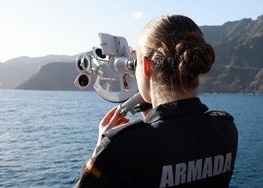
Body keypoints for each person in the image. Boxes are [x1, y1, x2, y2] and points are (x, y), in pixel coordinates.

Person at [74, 14, 238, 188]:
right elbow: (170, 137)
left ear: (146, 66)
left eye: (135, 63)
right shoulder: (226, 130)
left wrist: (100, 151)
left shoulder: (122, 148)